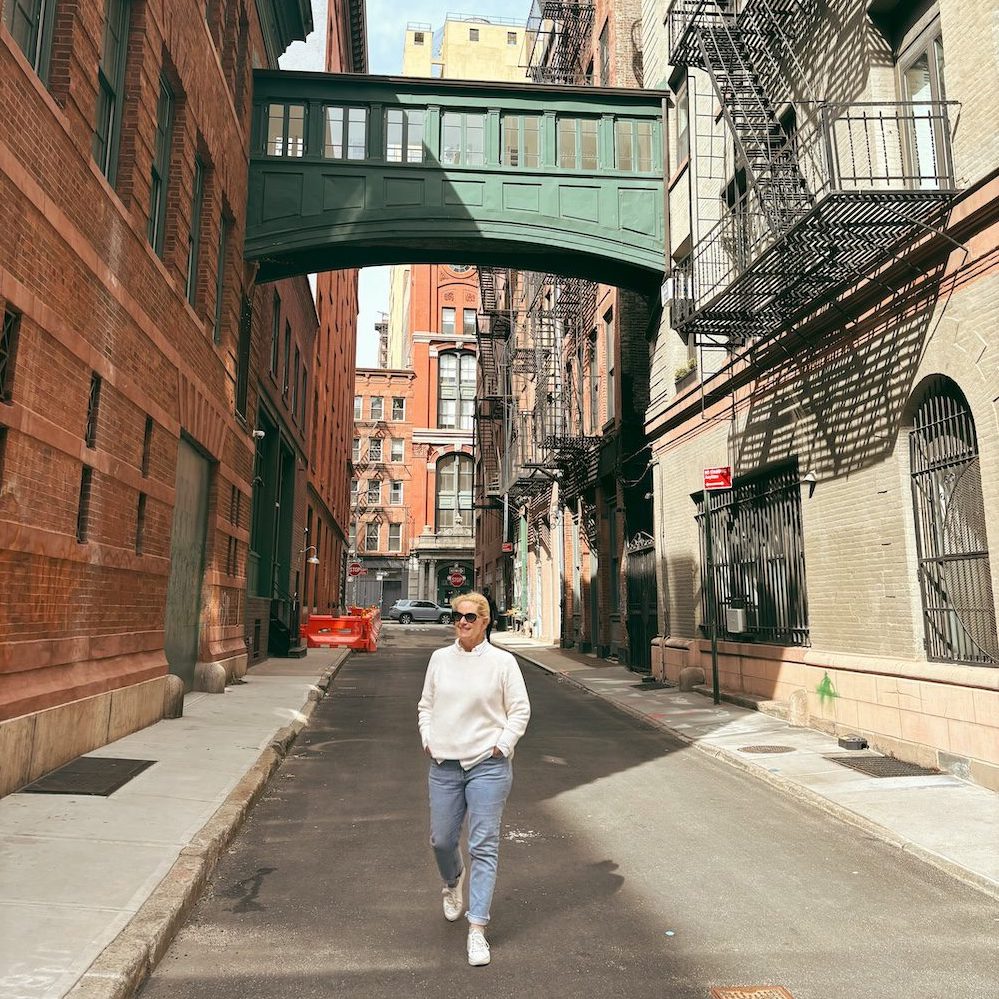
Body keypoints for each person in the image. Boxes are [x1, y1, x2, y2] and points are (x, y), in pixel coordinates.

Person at [417, 591, 531, 967]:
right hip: (445, 764)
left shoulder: (502, 662)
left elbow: (520, 710)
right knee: (442, 840)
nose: (462, 622)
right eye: (457, 616)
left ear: (485, 621)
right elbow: (426, 705)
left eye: (469, 617)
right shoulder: (440, 659)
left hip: (488, 765)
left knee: (484, 845)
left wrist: (503, 744)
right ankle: (453, 881)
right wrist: (428, 737)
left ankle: (477, 927)